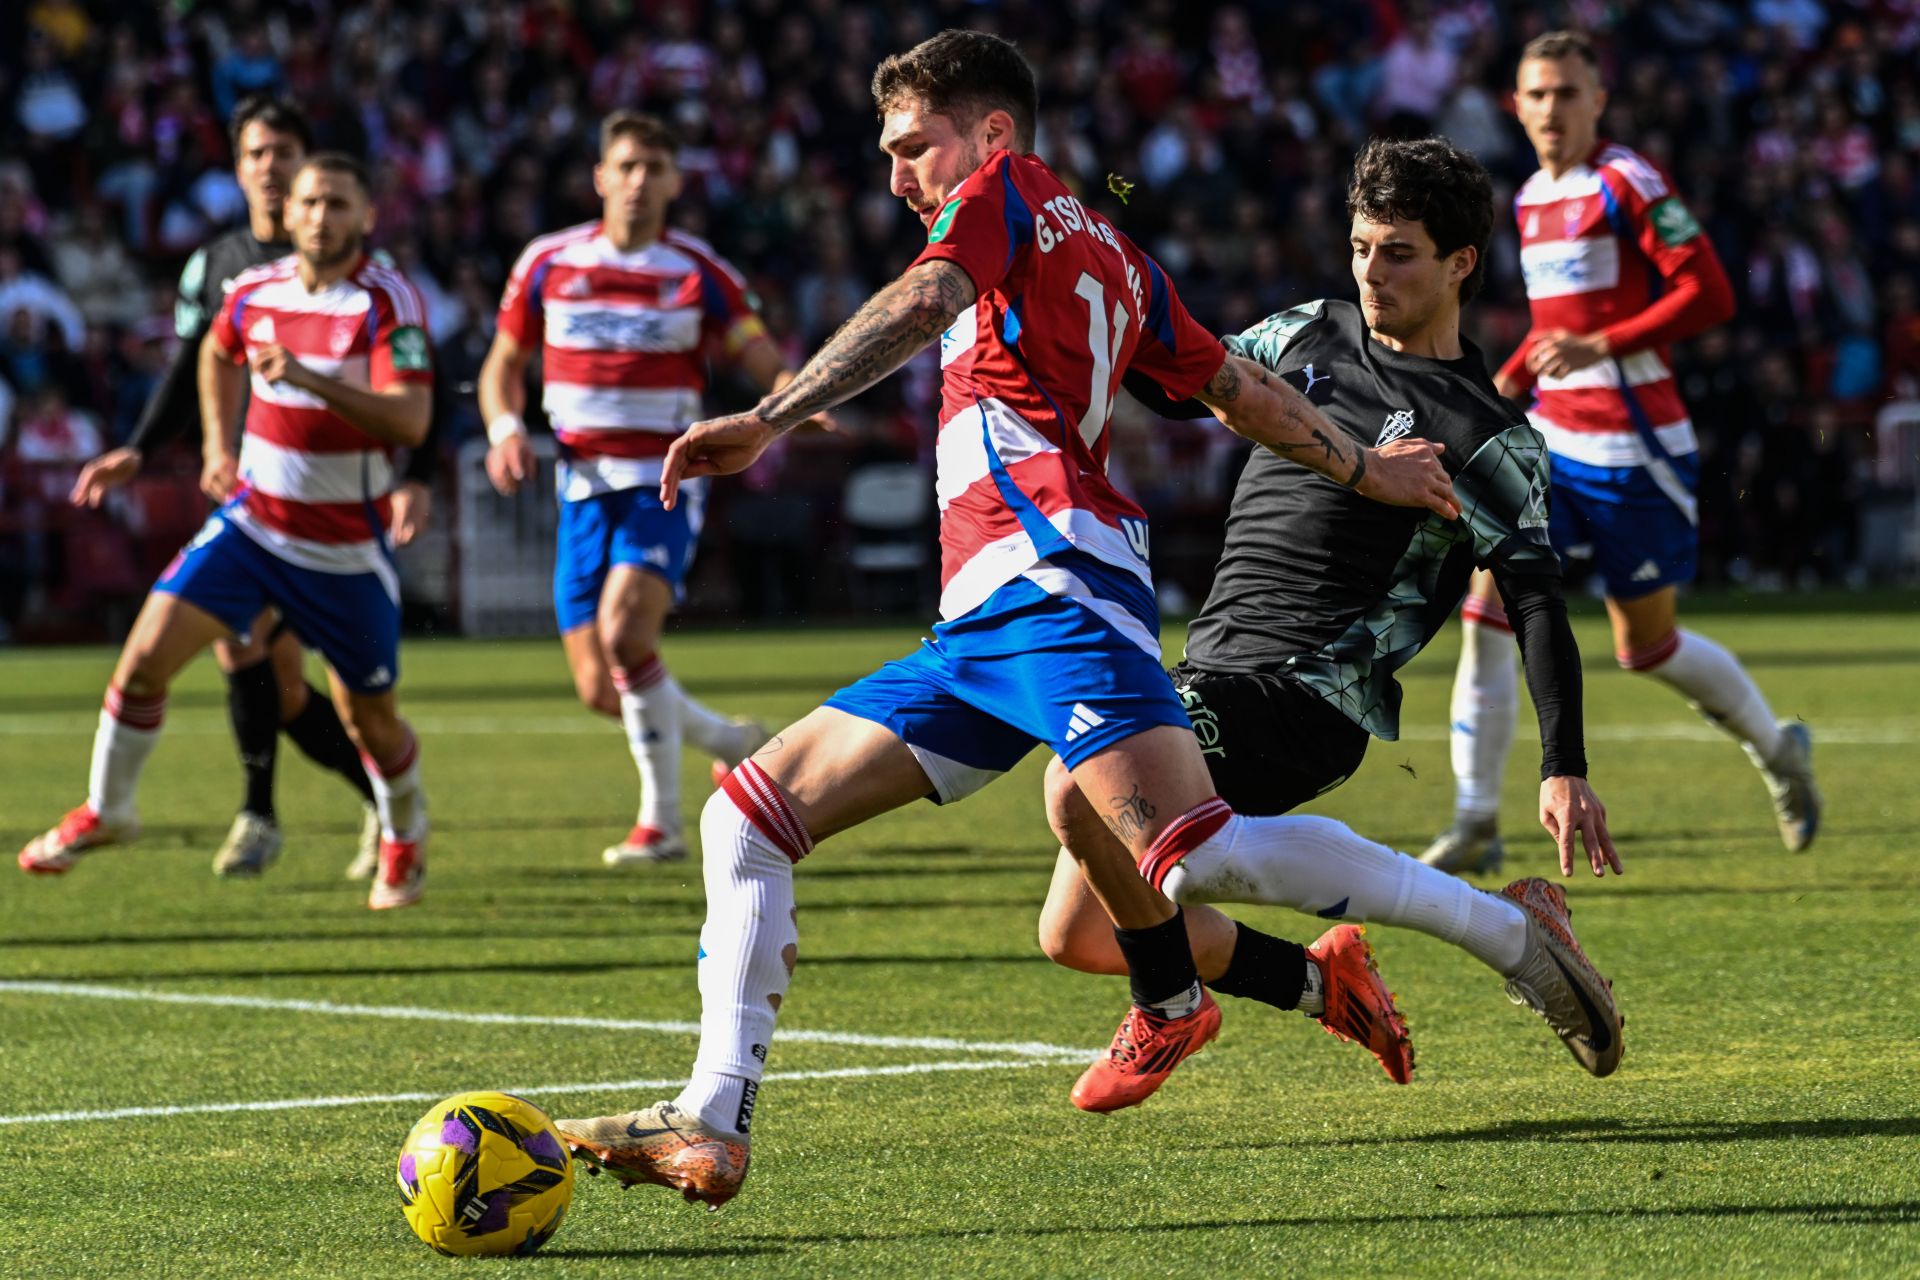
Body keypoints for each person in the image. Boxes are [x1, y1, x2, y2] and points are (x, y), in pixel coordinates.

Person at [549, 30, 1459, 1210]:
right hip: (986, 617)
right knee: (747, 817)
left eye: (912, 145)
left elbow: (927, 298)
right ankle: (712, 1117)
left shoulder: (1000, 197)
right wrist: (1365, 469)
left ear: (992, 134)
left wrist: (771, 415)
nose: (898, 176)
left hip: (1052, 578)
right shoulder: (1116, 253)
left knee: (1194, 848)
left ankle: (1493, 926)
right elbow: (1238, 389)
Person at [1038, 136, 1623, 1085]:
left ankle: (1494, 932)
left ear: (1460, 263)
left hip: (1312, 695)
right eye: (1360, 247)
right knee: (1081, 933)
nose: (1370, 271)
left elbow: (1538, 602)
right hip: (1208, 672)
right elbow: (1168, 379)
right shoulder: (1304, 331)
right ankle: (1324, 982)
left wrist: (1565, 768)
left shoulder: (1487, 433)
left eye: (1398, 253)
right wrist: (1095, 251)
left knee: (1077, 787)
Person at [1425, 30, 1820, 874]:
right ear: (1516, 105)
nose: (1551, 110)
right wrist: (1500, 390)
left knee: (1647, 646)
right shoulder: (1529, 196)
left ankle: (1779, 750)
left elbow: (1708, 292)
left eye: (1568, 93)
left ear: (1598, 100)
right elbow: (1553, 328)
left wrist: (1602, 346)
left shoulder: (1627, 181)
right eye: (1536, 95)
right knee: (1486, 611)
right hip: (1555, 446)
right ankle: (1475, 819)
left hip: (1635, 450)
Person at [19, 154, 436, 912]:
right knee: (143, 659)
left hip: (343, 547)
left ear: (366, 215)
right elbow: (215, 351)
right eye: (311, 202)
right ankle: (110, 810)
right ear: (293, 212)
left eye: (338, 203)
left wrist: (308, 378)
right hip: (253, 523)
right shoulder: (252, 290)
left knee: (368, 718)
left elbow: (410, 418)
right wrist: (217, 444)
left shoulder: (387, 301)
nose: (320, 216)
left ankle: (405, 826)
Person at [478, 111, 788, 867]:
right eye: (627, 166)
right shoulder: (548, 262)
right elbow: (503, 363)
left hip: (664, 479)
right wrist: (504, 429)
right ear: (600, 177)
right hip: (580, 483)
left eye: (655, 167)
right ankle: (730, 742)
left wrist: (788, 401)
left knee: (625, 634)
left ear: (676, 182)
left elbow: (756, 352)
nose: (640, 180)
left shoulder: (698, 270)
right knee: (596, 685)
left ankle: (663, 824)